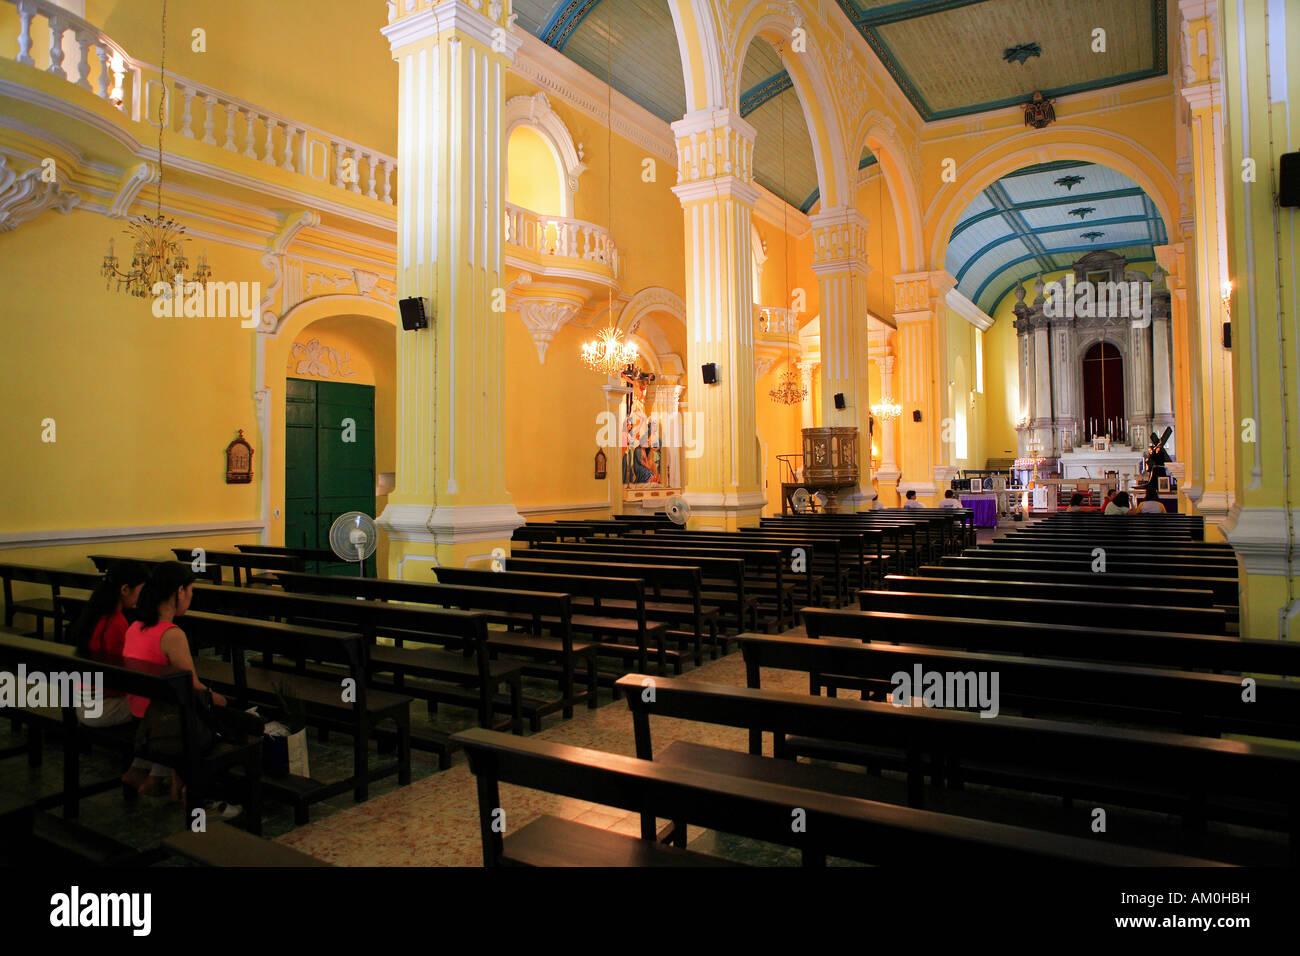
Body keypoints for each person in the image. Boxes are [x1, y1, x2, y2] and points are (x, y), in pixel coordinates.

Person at [122, 562, 228, 797]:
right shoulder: (172, 635)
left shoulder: (134, 626)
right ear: (179, 591)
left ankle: (157, 776)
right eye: (190, 591)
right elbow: (194, 687)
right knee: (221, 714)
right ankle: (193, 791)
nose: (191, 597)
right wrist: (219, 699)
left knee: (176, 703)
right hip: (161, 718)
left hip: (138, 709)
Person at [71, 560, 148, 728]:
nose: (141, 597)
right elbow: (121, 673)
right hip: (101, 707)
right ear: (125, 589)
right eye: (140, 590)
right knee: (160, 704)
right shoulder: (115, 622)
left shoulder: (95, 613)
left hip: (82, 700)